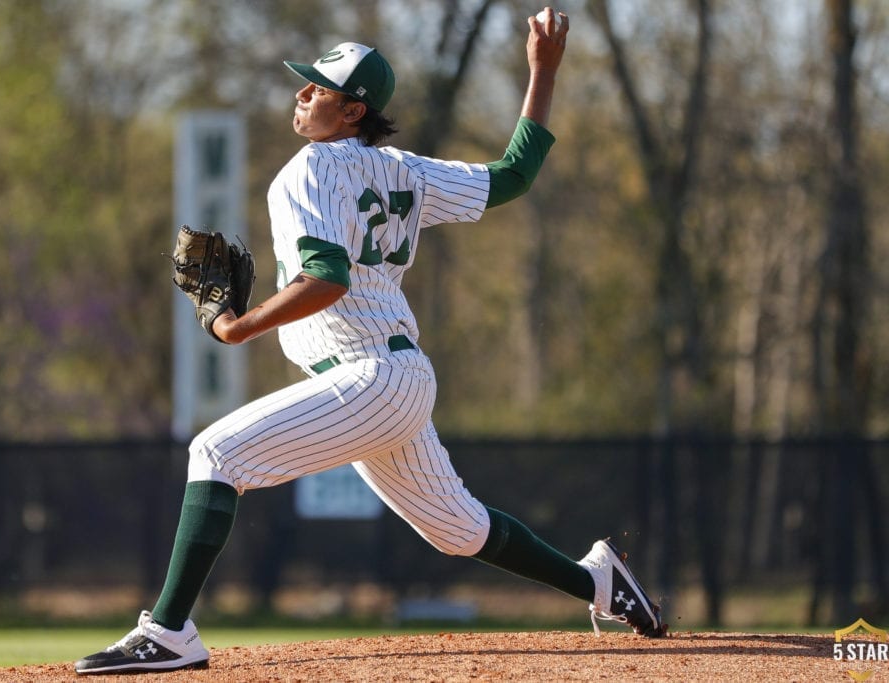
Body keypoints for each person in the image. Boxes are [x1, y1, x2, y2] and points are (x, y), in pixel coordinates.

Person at [75, 7, 665, 675]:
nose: (301, 93)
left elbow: (326, 279)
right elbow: (513, 176)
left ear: (352, 111)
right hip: (392, 377)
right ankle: (600, 581)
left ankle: (170, 631)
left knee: (217, 451)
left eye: (317, 88)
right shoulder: (401, 170)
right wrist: (542, 73)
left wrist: (239, 326)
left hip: (370, 377)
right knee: (461, 530)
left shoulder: (306, 173)